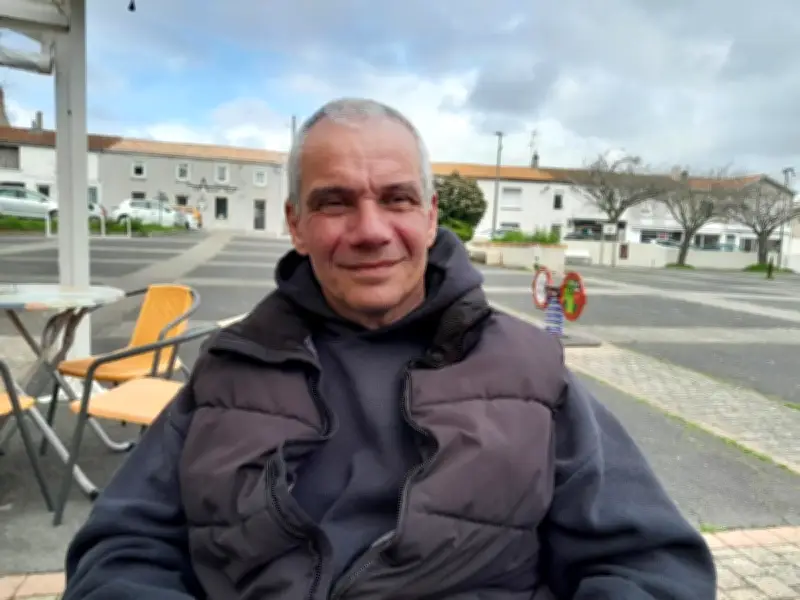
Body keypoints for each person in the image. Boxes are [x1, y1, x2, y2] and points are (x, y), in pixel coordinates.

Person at [62, 98, 716, 600]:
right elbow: (121, 552)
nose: (371, 230)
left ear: (430, 216)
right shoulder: (228, 371)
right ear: (295, 224)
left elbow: (650, 566)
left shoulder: (531, 373)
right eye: (335, 203)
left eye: (397, 199)